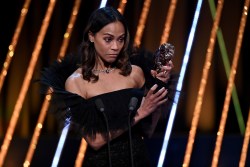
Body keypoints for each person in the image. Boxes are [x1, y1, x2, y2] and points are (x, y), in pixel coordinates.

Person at [41, 6, 174, 167]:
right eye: (108, 39)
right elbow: (95, 140)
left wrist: (159, 89)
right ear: (91, 36)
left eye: (121, 39)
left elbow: (148, 131)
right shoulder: (76, 82)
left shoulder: (135, 73)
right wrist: (140, 113)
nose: (116, 47)